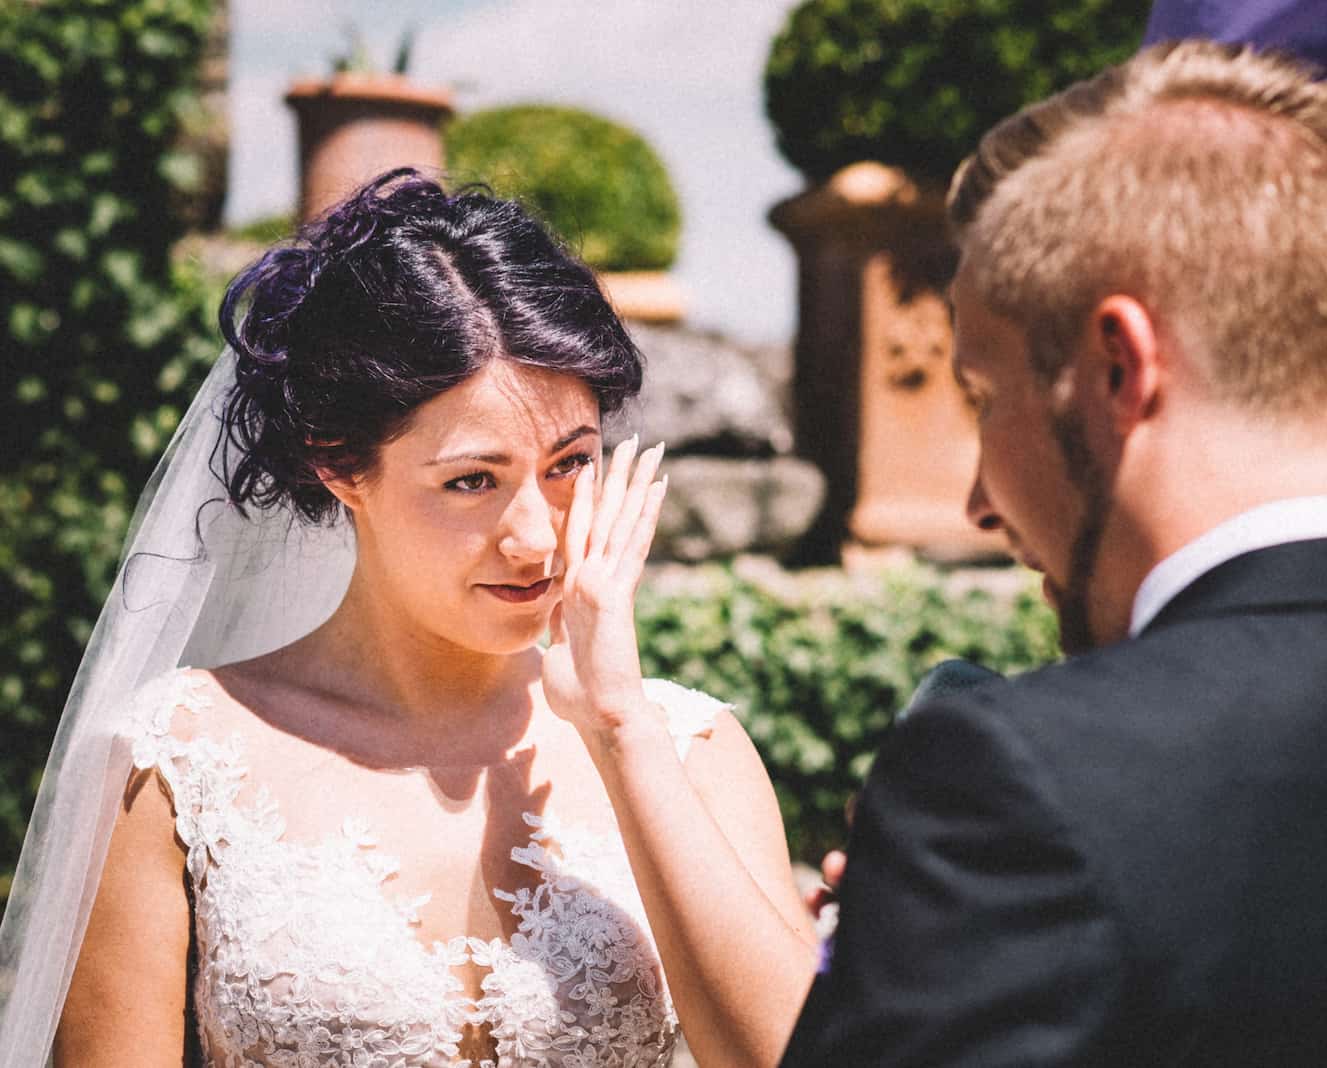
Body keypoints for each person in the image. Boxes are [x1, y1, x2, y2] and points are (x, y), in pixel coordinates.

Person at [780, 40, 1327, 1066]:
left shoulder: (1014, 782)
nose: (979, 502)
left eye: (985, 399)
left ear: (1118, 368)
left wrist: (870, 962)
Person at [0, 171, 816, 1068]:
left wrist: (622, 730)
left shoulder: (690, 747)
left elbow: (794, 1056)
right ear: (340, 465)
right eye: (473, 480)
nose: (536, 537)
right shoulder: (174, 760)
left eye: (569, 464)